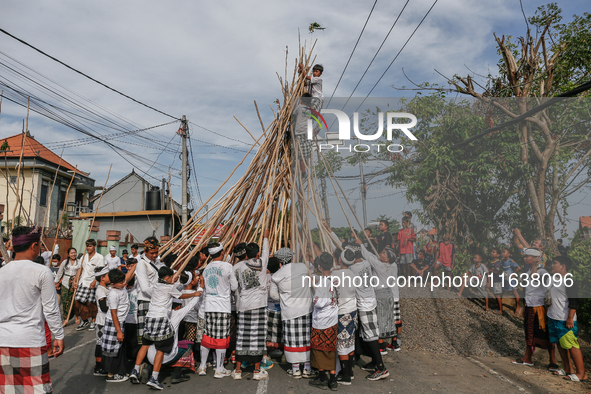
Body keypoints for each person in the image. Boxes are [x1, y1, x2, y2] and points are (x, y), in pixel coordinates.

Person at [0, 226, 65, 394]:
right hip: (30, 341)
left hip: (3, 341)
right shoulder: (42, 271)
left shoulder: (1, 272)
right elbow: (50, 308)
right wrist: (58, 335)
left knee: (7, 390)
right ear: (34, 246)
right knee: (37, 390)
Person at [130, 266, 202, 389]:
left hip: (150, 318)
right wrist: (196, 293)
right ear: (167, 278)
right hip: (160, 318)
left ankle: (135, 371)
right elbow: (180, 296)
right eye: (172, 277)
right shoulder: (169, 287)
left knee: (145, 345)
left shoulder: (156, 285)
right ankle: (154, 378)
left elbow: (177, 290)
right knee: (161, 348)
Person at [271, 247, 315, 379]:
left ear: (279, 260)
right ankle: (307, 368)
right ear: (291, 257)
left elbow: (273, 295)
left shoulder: (276, 276)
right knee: (306, 339)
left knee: (292, 340)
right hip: (306, 309)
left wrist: (285, 298)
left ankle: (296, 369)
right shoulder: (302, 267)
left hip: (290, 311)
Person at [232, 232, 270, 381]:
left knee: (242, 337)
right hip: (259, 305)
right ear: (258, 253)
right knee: (257, 337)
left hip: (244, 305)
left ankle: (237, 371)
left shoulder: (240, 267)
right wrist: (265, 237)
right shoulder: (263, 263)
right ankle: (256, 371)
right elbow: (266, 252)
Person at [349, 238, 389, 381]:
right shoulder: (365, 263)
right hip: (370, 301)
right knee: (365, 334)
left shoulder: (352, 269)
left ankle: (381, 368)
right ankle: (372, 360)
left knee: (371, 336)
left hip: (365, 305)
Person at [512, 248, 557, 369]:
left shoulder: (543, 272)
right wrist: (524, 305)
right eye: (525, 256)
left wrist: (536, 267)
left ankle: (553, 361)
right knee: (529, 333)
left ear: (536, 259)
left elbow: (547, 287)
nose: (525, 258)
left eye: (528, 257)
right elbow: (527, 291)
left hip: (540, 308)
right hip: (530, 306)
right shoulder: (527, 272)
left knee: (546, 333)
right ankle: (527, 358)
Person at [198, 242, 238, 379]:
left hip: (209, 306)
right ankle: (219, 369)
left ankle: (202, 366)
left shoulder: (206, 268)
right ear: (222, 253)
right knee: (221, 338)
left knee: (207, 336)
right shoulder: (227, 266)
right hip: (222, 307)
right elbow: (234, 286)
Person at [548, 256, 587, 382]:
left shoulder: (569, 281)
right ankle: (568, 369)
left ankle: (582, 374)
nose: (552, 265)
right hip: (553, 317)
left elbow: (574, 302)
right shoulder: (554, 279)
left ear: (562, 266)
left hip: (564, 319)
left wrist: (570, 318)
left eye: (555, 263)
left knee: (571, 345)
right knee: (560, 344)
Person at [307, 253, 339, 391]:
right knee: (331, 350)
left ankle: (322, 377)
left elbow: (319, 303)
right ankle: (333, 380)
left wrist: (314, 296)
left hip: (322, 321)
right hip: (333, 319)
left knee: (319, 351)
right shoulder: (335, 279)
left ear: (319, 266)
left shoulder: (322, 284)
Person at [333, 248, 357, 386]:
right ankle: (350, 371)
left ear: (340, 259)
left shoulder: (335, 275)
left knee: (342, 344)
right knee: (350, 341)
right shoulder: (353, 274)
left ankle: (346, 376)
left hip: (342, 312)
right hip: (352, 310)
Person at [102, 269, 130, 382]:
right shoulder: (113, 294)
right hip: (114, 323)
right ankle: (111, 374)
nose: (124, 283)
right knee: (113, 348)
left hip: (121, 321)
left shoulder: (121, 287)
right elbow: (114, 314)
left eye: (124, 281)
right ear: (113, 284)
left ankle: (119, 370)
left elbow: (128, 275)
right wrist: (118, 330)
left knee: (119, 347)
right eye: (121, 282)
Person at [135, 237, 164, 345]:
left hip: (156, 301)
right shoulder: (141, 264)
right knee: (145, 334)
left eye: (156, 252)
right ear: (145, 251)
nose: (155, 255)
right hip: (146, 300)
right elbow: (145, 288)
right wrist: (161, 295)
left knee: (156, 331)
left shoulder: (158, 263)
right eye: (152, 253)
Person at [73, 239, 105, 331]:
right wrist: (75, 280)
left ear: (95, 246)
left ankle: (94, 320)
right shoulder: (84, 256)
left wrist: (95, 281)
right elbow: (80, 269)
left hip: (92, 282)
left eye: (90, 246)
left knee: (90, 303)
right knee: (77, 301)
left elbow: (100, 271)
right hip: (82, 282)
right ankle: (84, 320)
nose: (88, 248)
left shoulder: (99, 257)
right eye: (87, 246)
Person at [55, 247, 81, 324]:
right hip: (65, 282)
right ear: (68, 254)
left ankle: (76, 316)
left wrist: (76, 280)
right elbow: (59, 273)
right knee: (65, 300)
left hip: (75, 282)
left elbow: (81, 272)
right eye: (71, 253)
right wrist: (56, 282)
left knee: (74, 300)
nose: (73, 254)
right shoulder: (65, 262)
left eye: (74, 252)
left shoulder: (79, 262)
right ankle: (66, 318)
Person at [291, 93, 315, 176]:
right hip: (308, 133)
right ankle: (305, 170)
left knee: (299, 153)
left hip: (300, 133)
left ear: (301, 100)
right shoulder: (310, 110)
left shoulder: (299, 107)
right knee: (306, 153)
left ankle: (302, 171)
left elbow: (293, 114)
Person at [93, 266, 111, 377]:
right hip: (102, 321)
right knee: (100, 344)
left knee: (105, 344)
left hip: (106, 320)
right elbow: (104, 307)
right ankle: (98, 367)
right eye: (108, 275)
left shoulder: (106, 288)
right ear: (102, 278)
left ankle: (104, 365)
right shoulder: (100, 290)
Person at [266, 257, 283, 359]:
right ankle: (279, 350)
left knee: (269, 332)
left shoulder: (264, 277)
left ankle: (268, 352)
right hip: (279, 308)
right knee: (279, 332)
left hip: (268, 308)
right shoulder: (281, 277)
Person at [501, 248, 521, 316]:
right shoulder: (503, 261)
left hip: (510, 279)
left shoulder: (511, 261)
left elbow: (518, 268)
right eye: (502, 252)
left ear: (508, 254)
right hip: (505, 278)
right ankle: (499, 303)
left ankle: (518, 307)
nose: (502, 253)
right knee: (502, 290)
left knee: (514, 291)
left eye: (504, 252)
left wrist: (513, 274)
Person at [487, 248, 504, 314]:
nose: (492, 253)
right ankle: (497, 305)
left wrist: (489, 269)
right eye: (492, 251)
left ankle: (501, 310)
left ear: (498, 255)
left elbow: (496, 271)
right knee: (495, 293)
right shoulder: (490, 262)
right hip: (492, 280)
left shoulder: (498, 262)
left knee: (497, 294)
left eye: (494, 252)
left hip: (496, 280)